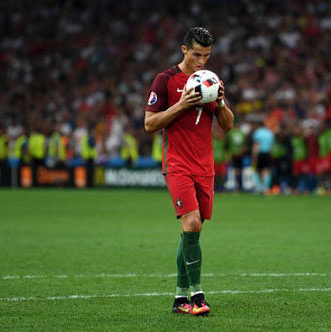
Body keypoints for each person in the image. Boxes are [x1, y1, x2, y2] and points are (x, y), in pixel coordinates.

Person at [144, 27, 234, 316]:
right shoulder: (165, 80)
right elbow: (149, 124)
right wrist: (181, 104)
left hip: (205, 167)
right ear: (184, 50)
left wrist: (219, 101)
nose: (202, 61)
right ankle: (197, 295)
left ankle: (179, 298)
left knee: (191, 233)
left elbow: (228, 124)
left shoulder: (210, 80)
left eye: (207, 56)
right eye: (197, 55)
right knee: (191, 224)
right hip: (178, 164)